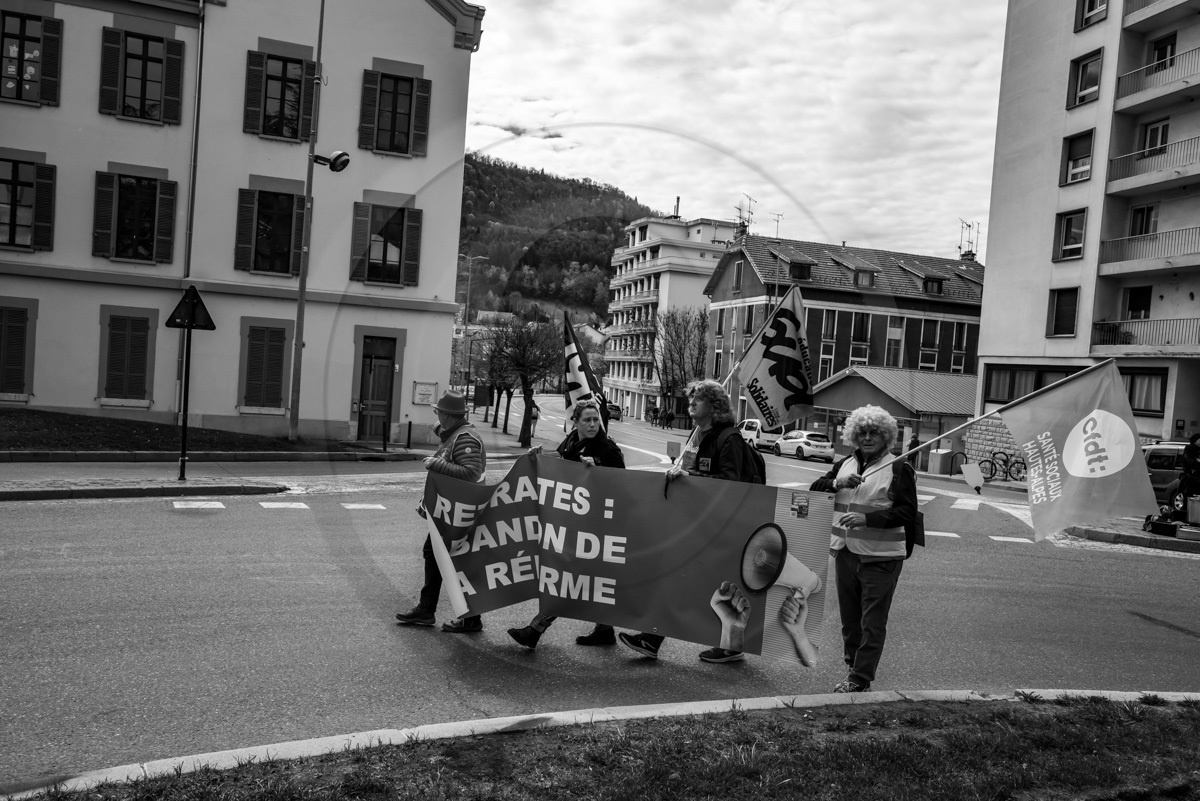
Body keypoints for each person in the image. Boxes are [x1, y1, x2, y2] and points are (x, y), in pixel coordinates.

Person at [618, 379, 754, 664]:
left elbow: (733, 484)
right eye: (690, 398)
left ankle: (655, 639)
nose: (691, 402)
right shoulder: (698, 434)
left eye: (698, 399)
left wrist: (693, 479)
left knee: (688, 581)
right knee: (686, 581)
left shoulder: (729, 439)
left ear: (714, 406)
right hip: (695, 522)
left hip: (718, 526)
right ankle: (657, 639)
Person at [810, 404, 917, 693]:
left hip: (881, 558)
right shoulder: (845, 464)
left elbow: (907, 513)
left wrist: (867, 518)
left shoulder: (899, 468)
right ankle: (852, 670)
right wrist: (836, 482)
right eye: (863, 432)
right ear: (854, 435)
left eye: (875, 433)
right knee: (850, 620)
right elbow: (814, 491)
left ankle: (860, 678)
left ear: (886, 437)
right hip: (845, 552)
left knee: (872, 623)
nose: (868, 437)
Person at [508, 399, 625, 649]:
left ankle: (535, 630)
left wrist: (599, 469)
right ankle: (604, 630)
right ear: (576, 422)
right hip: (574, 523)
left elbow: (623, 483)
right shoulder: (572, 440)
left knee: (567, 579)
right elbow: (559, 463)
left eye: (596, 420)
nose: (593, 424)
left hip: (595, 528)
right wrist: (538, 457)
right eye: (587, 420)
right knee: (588, 580)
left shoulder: (607, 448)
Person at [395, 390, 488, 633]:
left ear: (448, 415)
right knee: (435, 555)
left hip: (459, 514)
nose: (437, 417)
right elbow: (443, 430)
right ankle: (430, 610)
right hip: (452, 512)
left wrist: (435, 463)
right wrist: (442, 422)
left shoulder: (465, 438)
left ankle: (467, 617)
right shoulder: (455, 432)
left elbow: (471, 472)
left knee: (455, 561)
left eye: (439, 413)